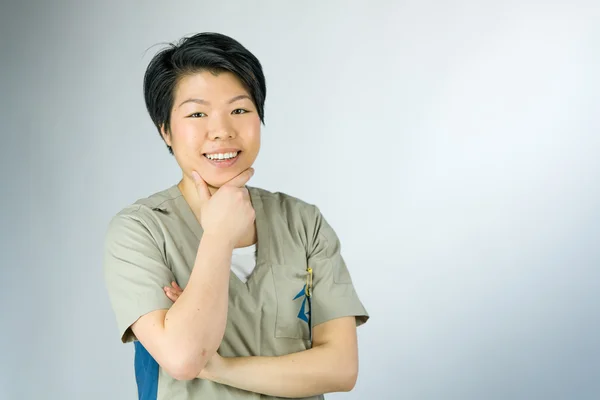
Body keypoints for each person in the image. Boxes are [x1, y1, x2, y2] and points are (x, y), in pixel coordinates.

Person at [103, 32, 369, 400]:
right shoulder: (141, 230)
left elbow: (341, 368)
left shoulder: (303, 222)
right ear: (165, 130)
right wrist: (218, 236)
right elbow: (181, 359)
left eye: (240, 110)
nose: (222, 131)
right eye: (197, 113)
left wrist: (218, 366)